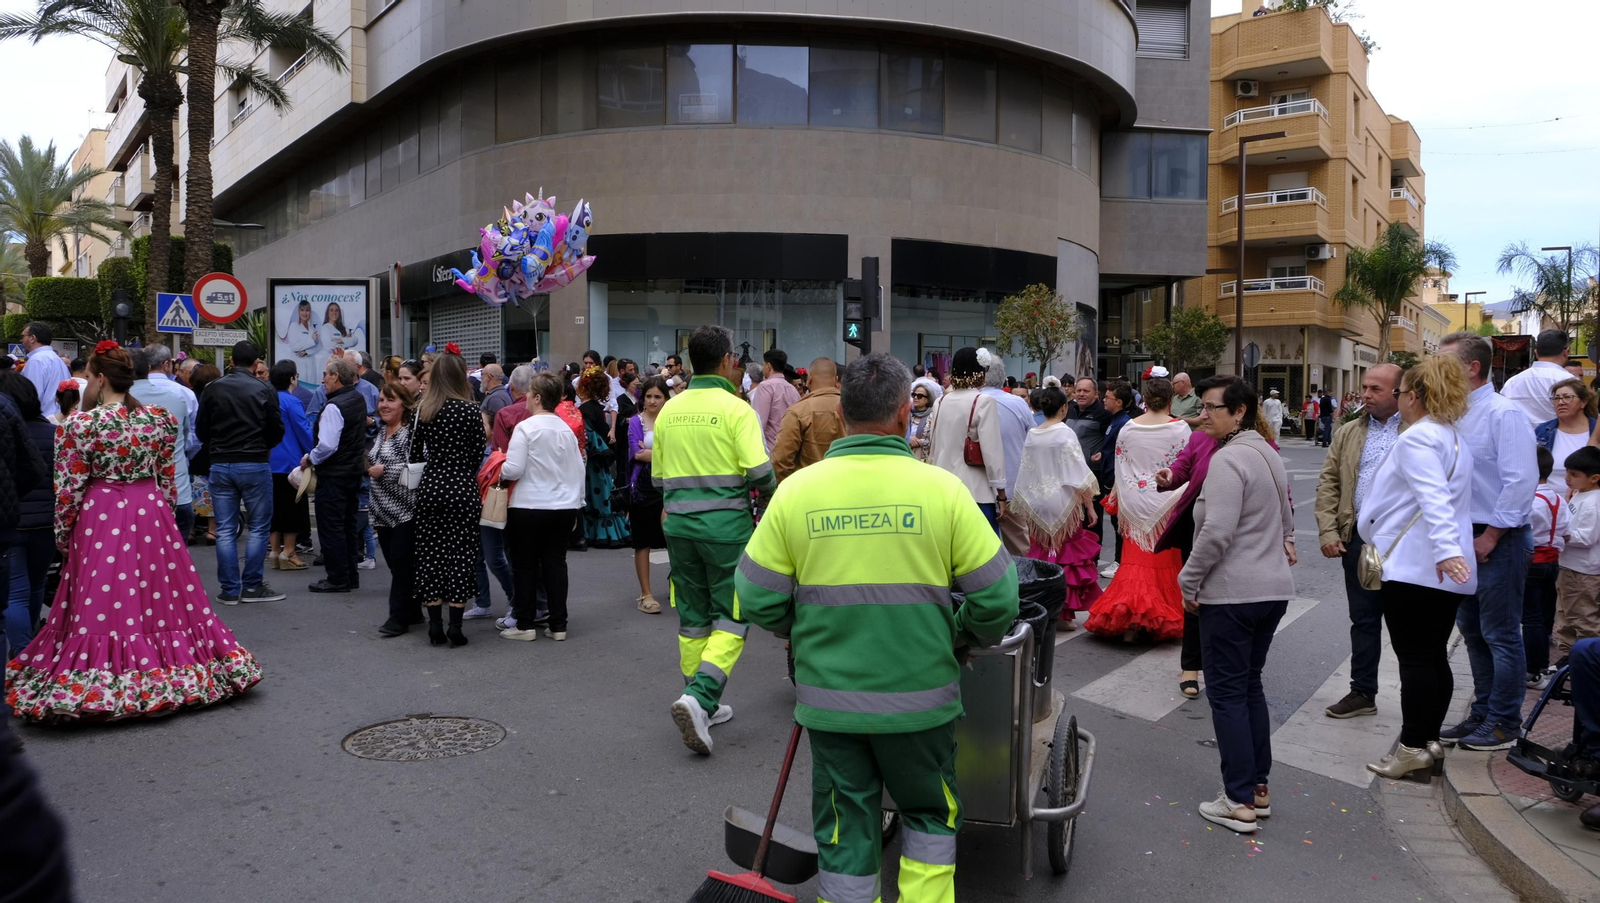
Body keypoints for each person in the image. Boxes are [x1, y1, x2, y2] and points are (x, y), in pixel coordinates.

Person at [737, 352, 1019, 902]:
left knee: (844, 825)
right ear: (904, 415)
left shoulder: (797, 492)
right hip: (922, 702)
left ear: (842, 415)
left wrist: (800, 626)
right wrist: (959, 631)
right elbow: (998, 599)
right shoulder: (942, 491)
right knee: (929, 817)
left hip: (831, 703)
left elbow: (754, 597)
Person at [6, 341, 262, 722]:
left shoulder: (81, 424)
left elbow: (69, 488)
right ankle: (173, 670)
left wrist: (63, 534)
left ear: (100, 378)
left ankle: (105, 680)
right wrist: (164, 517)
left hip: (102, 513)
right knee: (159, 597)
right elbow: (167, 480)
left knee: (104, 597)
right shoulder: (158, 419)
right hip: (151, 512)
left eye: (89, 376)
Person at [1179, 375, 1295, 832]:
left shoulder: (1229, 459)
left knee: (1228, 694)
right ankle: (1257, 788)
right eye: (1203, 406)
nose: (1203, 415)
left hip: (1233, 593)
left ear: (1239, 411)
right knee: (1248, 687)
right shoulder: (1267, 452)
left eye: (1212, 407)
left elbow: (1217, 531)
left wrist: (1189, 580)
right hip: (1271, 590)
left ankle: (1239, 799)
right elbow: (1286, 517)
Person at [655, 325, 774, 755]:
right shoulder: (736, 409)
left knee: (692, 616)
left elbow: (658, 479)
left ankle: (700, 702)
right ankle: (701, 697)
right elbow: (760, 473)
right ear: (727, 361)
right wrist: (771, 498)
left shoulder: (669, 410)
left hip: (679, 527)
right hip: (726, 530)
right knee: (734, 614)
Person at [1357, 356, 1476, 780]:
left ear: (1416, 396)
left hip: (1416, 566)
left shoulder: (1419, 438)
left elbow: (1433, 498)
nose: (1400, 398)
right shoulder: (1453, 437)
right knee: (1433, 657)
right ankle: (1428, 743)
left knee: (1415, 661)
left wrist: (1445, 550)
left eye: (1402, 391)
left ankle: (1411, 748)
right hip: (1440, 567)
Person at [1438, 331, 1537, 752]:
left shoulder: (1503, 413)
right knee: (1473, 632)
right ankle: (1482, 712)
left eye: (1444, 363)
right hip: (1465, 536)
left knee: (1500, 633)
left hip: (1498, 538)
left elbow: (1521, 482)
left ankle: (1504, 721)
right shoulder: (1453, 414)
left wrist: (1491, 536)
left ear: (1472, 368)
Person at [1314, 363, 1404, 720]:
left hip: (1404, 545)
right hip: (1359, 542)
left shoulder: (1419, 430)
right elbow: (1329, 483)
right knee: (1363, 620)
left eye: (1375, 389)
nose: (1365, 394)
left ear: (1399, 392)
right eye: (1365, 387)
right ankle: (1363, 692)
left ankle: (1415, 697)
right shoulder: (1349, 431)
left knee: (1405, 625)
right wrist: (1329, 531)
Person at [1083, 376, 1189, 641]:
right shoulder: (1180, 428)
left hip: (1134, 500)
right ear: (1170, 400)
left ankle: (1128, 616)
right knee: (1164, 560)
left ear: (1146, 399)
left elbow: (1122, 466)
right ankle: (1154, 618)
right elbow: (1186, 465)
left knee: (1133, 562)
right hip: (1166, 504)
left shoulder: (1129, 428)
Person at [195, 341, 286, 605]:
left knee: (225, 529)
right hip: (254, 462)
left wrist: (217, 446)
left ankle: (230, 589)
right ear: (256, 363)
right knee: (258, 527)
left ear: (231, 361)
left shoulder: (212, 388)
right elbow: (276, 429)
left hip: (221, 462)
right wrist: (262, 446)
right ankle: (252, 586)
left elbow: (201, 430)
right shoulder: (264, 388)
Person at [499, 372, 585, 642]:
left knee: (524, 565)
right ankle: (558, 624)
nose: (525, 397)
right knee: (555, 564)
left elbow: (514, 469)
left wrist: (499, 465)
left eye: (529, 393)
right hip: (563, 507)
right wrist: (577, 505)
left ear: (537, 397)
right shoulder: (565, 429)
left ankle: (524, 624)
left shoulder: (526, 428)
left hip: (528, 505)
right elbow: (578, 469)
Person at [409, 349, 484, 647]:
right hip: (462, 487)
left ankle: (434, 626)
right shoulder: (470, 411)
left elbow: (414, 453)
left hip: (431, 486)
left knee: (430, 554)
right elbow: (477, 453)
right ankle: (455, 626)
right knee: (461, 554)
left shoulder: (423, 410)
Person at [1014, 385, 1102, 628]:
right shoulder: (1065, 433)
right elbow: (1078, 474)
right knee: (1067, 556)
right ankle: (1063, 613)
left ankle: (1041, 605)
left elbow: (1026, 471)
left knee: (1042, 554)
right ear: (1064, 408)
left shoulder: (1033, 434)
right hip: (1063, 500)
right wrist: (1090, 506)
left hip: (1037, 502)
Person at [302, 357, 368, 594]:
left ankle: (337, 578)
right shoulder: (357, 398)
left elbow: (327, 445)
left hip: (334, 475)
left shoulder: (334, 406)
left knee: (331, 527)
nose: (323, 380)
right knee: (348, 525)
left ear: (336, 377)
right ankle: (350, 575)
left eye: (326, 375)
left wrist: (310, 458)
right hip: (352, 472)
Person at [926, 348, 1008, 534]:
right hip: (975, 489)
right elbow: (992, 452)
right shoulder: (983, 401)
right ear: (980, 371)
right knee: (981, 545)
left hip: (943, 487)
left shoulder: (940, 401)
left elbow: (934, 445)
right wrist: (1001, 494)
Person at [0, 372, 49, 659]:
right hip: (46, 523)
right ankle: (28, 647)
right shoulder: (54, 433)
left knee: (15, 592)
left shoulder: (8, 428)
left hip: (14, 522)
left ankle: (21, 655)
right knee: (36, 584)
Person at [371, 382, 422, 637]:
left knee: (402, 566)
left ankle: (397, 619)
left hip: (406, 512)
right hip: (382, 513)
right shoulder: (381, 431)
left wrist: (385, 470)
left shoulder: (410, 434)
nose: (384, 405)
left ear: (404, 404)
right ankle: (414, 610)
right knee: (396, 565)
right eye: (382, 400)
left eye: (390, 400)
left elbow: (419, 470)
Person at [983, 356, 1038, 556]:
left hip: (976, 487)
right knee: (1019, 547)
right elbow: (1033, 440)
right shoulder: (1018, 404)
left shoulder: (966, 402)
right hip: (1013, 484)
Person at [1525, 447, 1569, 690]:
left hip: (1534, 561)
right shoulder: (1558, 499)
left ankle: (1532, 670)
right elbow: (1566, 532)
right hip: (1553, 561)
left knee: (1531, 618)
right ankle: (1541, 665)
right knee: (1544, 616)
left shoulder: (1531, 501)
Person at [626, 376, 670, 614]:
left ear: (665, 398)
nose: (652, 401)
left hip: (670, 483)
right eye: (649, 396)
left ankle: (678, 584)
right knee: (642, 541)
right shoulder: (636, 421)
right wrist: (664, 453)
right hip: (642, 485)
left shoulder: (671, 420)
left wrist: (651, 451)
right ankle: (646, 594)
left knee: (674, 537)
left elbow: (680, 451)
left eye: (657, 396)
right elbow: (637, 453)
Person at [266, 361, 313, 572]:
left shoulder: (265, 398)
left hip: (268, 460)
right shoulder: (292, 401)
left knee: (273, 508)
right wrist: (314, 452)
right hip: (290, 462)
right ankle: (290, 552)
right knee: (293, 508)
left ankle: (275, 551)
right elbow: (303, 430)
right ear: (292, 378)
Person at [575, 366, 630, 549]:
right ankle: (604, 532)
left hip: (590, 463)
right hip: (600, 463)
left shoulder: (583, 410)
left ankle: (593, 533)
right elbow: (605, 436)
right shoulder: (598, 409)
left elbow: (588, 439)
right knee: (602, 494)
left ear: (583, 386)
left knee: (592, 496)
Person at [1555, 447, 1600, 664]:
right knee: (1566, 616)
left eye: (1574, 474)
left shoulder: (1593, 502)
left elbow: (1586, 537)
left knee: (1584, 619)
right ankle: (1569, 660)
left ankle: (1589, 664)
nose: (1567, 478)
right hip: (1569, 566)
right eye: (1567, 472)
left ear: (1594, 478)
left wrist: (1561, 534)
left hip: (1582, 571)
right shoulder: (1580, 494)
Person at [771, 357, 846, 482]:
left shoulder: (797, 412)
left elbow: (781, 460)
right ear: (836, 379)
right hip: (846, 486)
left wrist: (791, 486)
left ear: (809, 378)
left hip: (808, 487)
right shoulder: (854, 408)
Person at [1066, 377, 1113, 548]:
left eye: (1086, 391)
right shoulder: (1069, 410)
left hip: (1091, 474)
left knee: (1092, 518)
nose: (1081, 394)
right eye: (1078, 390)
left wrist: (1102, 453)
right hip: (1069, 473)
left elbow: (1111, 441)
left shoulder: (1104, 414)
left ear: (1096, 394)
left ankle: (1093, 556)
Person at [1095, 382, 1135, 574]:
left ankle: (1120, 561)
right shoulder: (1115, 420)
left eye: (1108, 397)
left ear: (1118, 402)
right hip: (1110, 474)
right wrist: (1102, 454)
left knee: (1118, 522)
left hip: (1116, 478)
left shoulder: (1123, 423)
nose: (1104, 400)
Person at [1501, 328, 1572, 426]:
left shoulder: (1511, 383)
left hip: (1518, 435)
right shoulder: (1569, 382)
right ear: (1566, 352)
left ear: (1536, 353)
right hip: (1556, 435)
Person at [1535, 377, 1596, 488]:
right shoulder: (1542, 431)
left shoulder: (1596, 430)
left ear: (1583, 402)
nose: (1561, 402)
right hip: (1548, 497)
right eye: (1556, 398)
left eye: (1567, 397)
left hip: (1588, 497)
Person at [186, 363, 221, 542]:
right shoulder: (216, 397)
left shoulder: (188, 396)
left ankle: (191, 530)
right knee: (211, 489)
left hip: (193, 449)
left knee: (192, 488)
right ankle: (212, 530)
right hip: (212, 449)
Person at [749, 349, 801, 452]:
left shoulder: (765, 386)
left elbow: (759, 423)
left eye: (763, 365)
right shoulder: (793, 390)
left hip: (771, 449)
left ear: (768, 366)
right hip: (791, 449)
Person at [18, 322, 71, 418]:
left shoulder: (36, 360)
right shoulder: (57, 359)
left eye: (23, 336)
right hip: (59, 419)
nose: (21, 340)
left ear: (32, 338)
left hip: (43, 419)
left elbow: (32, 396)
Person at [904, 376, 940, 462]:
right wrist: (908, 438)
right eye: (914, 395)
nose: (915, 397)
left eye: (919, 396)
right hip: (905, 455)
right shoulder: (907, 413)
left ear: (928, 399)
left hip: (924, 458)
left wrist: (919, 442)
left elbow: (935, 440)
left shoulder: (934, 416)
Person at [281, 299, 320, 378]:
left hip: (311, 366)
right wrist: (311, 340)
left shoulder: (312, 328)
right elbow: (295, 346)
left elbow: (319, 346)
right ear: (298, 312)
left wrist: (307, 352)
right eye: (302, 310)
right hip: (299, 366)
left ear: (310, 312)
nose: (304, 313)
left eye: (307, 310)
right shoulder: (294, 326)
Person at [478, 363, 509, 433]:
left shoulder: (495, 398)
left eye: (482, 374)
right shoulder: (499, 394)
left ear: (488, 377)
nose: (481, 377)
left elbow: (495, 426)